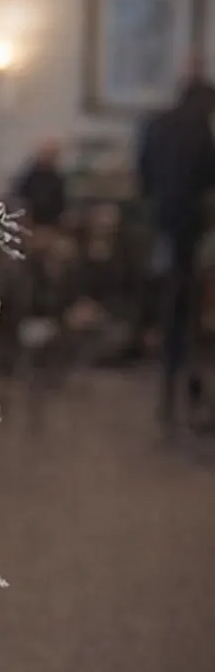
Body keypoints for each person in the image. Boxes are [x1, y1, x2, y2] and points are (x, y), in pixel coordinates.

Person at [138, 65, 215, 426]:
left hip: (162, 220)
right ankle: (186, 371)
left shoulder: (158, 123)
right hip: (193, 225)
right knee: (189, 302)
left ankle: (171, 372)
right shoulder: (202, 128)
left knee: (170, 295)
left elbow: (145, 172)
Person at [13, 138, 66, 231]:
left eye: (52, 155)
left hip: (52, 222)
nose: (48, 158)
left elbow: (62, 202)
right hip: (31, 220)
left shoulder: (57, 178)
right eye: (46, 155)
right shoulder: (28, 177)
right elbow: (19, 198)